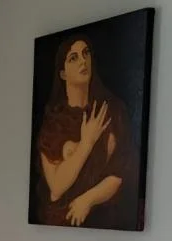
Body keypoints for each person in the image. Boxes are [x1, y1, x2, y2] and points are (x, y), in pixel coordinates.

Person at [35, 35, 137, 228]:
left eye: (85, 53)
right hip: (60, 224)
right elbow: (56, 188)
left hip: (107, 224)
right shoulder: (54, 123)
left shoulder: (113, 110)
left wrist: (87, 199)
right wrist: (86, 143)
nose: (83, 61)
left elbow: (121, 171)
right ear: (63, 73)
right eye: (73, 58)